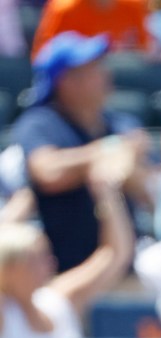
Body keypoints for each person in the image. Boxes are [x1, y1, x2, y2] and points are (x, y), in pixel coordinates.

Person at [12, 31, 150, 274]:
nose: (104, 74)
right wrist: (107, 150)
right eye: (93, 68)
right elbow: (47, 172)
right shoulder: (41, 122)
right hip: (65, 271)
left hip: (125, 268)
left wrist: (113, 161)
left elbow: (146, 183)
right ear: (66, 81)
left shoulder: (119, 122)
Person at [0, 166, 135, 338]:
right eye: (35, 259)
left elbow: (115, 254)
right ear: (10, 267)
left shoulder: (57, 300)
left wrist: (106, 194)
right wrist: (24, 202)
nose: (50, 263)